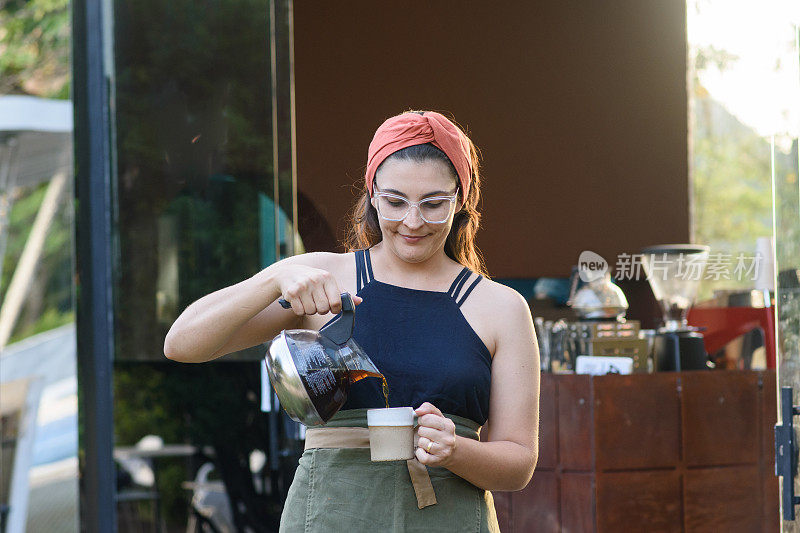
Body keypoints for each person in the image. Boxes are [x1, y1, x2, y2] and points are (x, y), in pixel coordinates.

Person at [164, 110, 540, 532]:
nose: (412, 222)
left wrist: (455, 450)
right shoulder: (326, 278)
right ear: (372, 194)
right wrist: (273, 278)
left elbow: (518, 462)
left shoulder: (500, 307)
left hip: (450, 517)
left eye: (434, 204)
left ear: (461, 200)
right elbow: (182, 344)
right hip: (330, 513)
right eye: (395, 202)